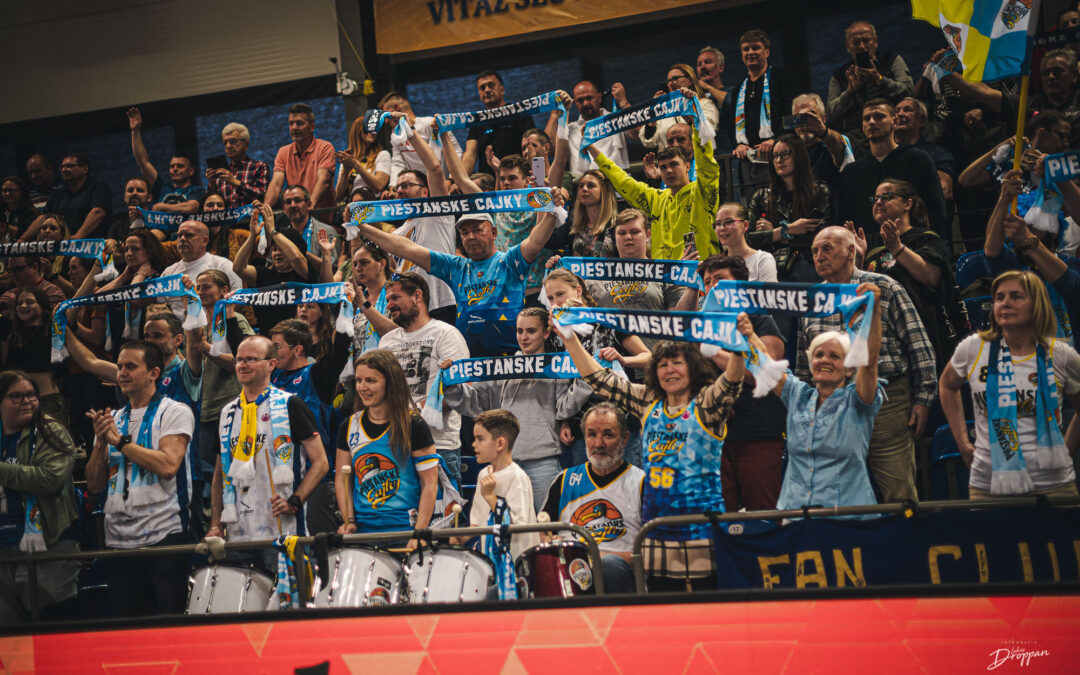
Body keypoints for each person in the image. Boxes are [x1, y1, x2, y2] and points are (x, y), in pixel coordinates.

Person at [559, 310, 749, 591]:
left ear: (693, 368)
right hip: (656, 532)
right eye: (662, 364)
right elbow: (598, 378)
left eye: (677, 363)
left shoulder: (706, 404)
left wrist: (739, 345)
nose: (669, 369)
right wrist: (569, 338)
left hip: (703, 530)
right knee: (664, 612)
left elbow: (732, 381)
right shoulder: (648, 402)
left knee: (706, 610)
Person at [798, 226, 936, 503]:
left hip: (886, 402)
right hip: (832, 406)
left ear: (851, 251)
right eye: (814, 251)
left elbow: (918, 344)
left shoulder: (883, 286)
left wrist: (923, 398)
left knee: (899, 493)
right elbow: (805, 361)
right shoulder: (811, 298)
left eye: (827, 248)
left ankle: (904, 542)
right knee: (838, 495)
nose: (819, 256)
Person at [353, 195, 560, 357]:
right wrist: (362, 227)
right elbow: (406, 248)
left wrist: (552, 213)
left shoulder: (510, 260)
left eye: (478, 230)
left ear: (494, 232)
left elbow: (535, 241)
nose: (470, 237)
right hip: (468, 361)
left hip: (511, 358)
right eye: (464, 233)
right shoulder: (456, 267)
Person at [941, 270, 1080, 498]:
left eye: (1016, 296)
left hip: (1053, 485)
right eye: (999, 297)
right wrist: (963, 444)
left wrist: (1066, 450)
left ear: (1037, 304)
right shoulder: (973, 348)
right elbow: (947, 385)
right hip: (988, 484)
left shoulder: (1061, 355)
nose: (1005, 303)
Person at [442, 306, 593, 510]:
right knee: (508, 525)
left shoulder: (558, 367)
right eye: (520, 331)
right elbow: (474, 404)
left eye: (531, 331)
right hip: (505, 461)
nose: (524, 337)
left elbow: (565, 409)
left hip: (544, 461)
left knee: (547, 521)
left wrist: (586, 380)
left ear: (546, 333)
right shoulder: (502, 369)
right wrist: (451, 382)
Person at [85, 340, 196, 616]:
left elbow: (169, 465)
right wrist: (100, 443)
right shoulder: (114, 419)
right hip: (119, 542)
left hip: (164, 536)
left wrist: (120, 443)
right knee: (130, 631)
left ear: (154, 373)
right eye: (120, 366)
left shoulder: (174, 411)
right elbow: (94, 485)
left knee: (170, 628)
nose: (122, 372)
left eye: (131, 366)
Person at [675, 255, 788, 512]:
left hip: (756, 435)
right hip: (709, 439)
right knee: (717, 516)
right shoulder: (697, 327)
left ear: (740, 285)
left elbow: (767, 371)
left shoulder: (760, 320)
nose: (713, 286)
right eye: (708, 281)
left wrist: (712, 350)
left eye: (720, 279)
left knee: (763, 514)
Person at [208, 336, 328, 572]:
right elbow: (220, 473)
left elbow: (321, 463)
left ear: (271, 364)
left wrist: (295, 501)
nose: (243, 365)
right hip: (237, 533)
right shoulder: (227, 412)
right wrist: (215, 523)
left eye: (251, 359)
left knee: (288, 606)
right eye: (240, 360)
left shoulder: (291, 404)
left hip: (282, 531)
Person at [773, 283, 885, 513]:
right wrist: (743, 324)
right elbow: (760, 361)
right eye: (818, 355)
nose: (824, 360)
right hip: (797, 521)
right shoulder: (797, 395)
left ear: (849, 368)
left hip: (847, 522)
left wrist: (873, 313)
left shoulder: (857, 400)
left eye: (834, 356)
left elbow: (869, 360)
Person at [586, 88, 720, 260]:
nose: (669, 170)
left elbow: (706, 163)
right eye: (663, 167)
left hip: (703, 275)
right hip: (666, 282)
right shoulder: (657, 199)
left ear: (688, 166)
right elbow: (623, 182)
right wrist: (590, 146)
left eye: (674, 165)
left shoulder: (702, 192)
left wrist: (694, 115)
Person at [335, 349, 437, 549]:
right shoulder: (348, 426)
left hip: (404, 530)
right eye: (358, 380)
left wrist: (419, 532)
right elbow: (342, 478)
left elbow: (430, 484)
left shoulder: (414, 424)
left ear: (391, 383)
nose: (362, 387)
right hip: (362, 532)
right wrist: (349, 521)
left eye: (371, 381)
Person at [0, 371, 80, 624]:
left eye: (31, 395)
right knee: (11, 642)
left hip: (48, 545)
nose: (27, 401)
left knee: (51, 632)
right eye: (17, 396)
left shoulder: (50, 431)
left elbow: (50, 478)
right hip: (4, 549)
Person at [540, 402, 644, 594]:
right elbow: (544, 531)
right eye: (592, 435)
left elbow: (649, 552)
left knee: (608, 565)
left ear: (625, 439)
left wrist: (596, 558)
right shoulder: (563, 481)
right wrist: (548, 538)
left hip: (620, 574)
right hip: (571, 574)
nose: (598, 444)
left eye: (608, 434)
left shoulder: (641, 482)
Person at [375, 272, 469, 483]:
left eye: (395, 298)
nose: (389, 305)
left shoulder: (446, 334)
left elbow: (462, 389)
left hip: (438, 446)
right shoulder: (387, 341)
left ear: (417, 296)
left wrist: (412, 414)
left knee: (445, 515)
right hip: (394, 445)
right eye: (388, 299)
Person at [266, 319, 351, 534]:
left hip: (314, 478)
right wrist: (228, 313)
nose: (271, 353)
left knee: (318, 551)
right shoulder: (269, 375)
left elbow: (339, 352)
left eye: (276, 347)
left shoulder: (316, 375)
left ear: (298, 350)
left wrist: (345, 313)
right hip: (275, 480)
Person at [865, 178, 959, 369]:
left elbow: (931, 276)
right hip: (880, 330)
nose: (879, 202)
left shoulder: (927, 239)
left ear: (908, 204)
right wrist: (857, 260)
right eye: (875, 199)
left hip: (923, 328)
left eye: (887, 196)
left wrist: (897, 248)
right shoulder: (868, 244)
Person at [837, 99, 948, 245]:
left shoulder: (918, 160)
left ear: (894, 121)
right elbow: (845, 218)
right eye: (866, 118)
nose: (871, 122)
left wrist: (937, 246)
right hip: (868, 253)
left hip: (914, 247)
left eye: (879, 117)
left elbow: (936, 210)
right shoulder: (851, 172)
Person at [383, 118, 458, 325]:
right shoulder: (395, 236)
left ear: (425, 191)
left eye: (406, 185)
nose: (399, 191)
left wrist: (408, 130)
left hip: (442, 302)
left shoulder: (438, 213)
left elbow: (434, 167)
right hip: (409, 311)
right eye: (397, 187)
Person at [826, 21, 914, 158]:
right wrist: (850, 91)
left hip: (893, 132)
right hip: (856, 140)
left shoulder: (892, 61)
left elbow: (909, 91)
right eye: (856, 42)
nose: (862, 46)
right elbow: (831, 114)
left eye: (866, 40)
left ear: (875, 42)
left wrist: (879, 80)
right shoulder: (840, 75)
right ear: (848, 47)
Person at [466, 409, 540, 562]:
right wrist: (461, 537)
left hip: (517, 565)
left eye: (480, 439)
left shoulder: (517, 477)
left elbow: (516, 528)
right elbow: (477, 522)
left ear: (500, 443)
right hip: (492, 561)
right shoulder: (483, 475)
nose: (473, 444)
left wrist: (491, 497)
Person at [233, 202, 312, 330]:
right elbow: (238, 268)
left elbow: (296, 257)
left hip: (297, 337)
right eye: (274, 249)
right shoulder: (265, 275)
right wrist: (253, 236)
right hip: (268, 340)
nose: (277, 254)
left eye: (282, 249)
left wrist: (272, 231)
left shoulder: (303, 274)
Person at [0, 287, 66, 429]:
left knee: (55, 447)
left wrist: (97, 265)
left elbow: (74, 304)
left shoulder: (52, 328)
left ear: (42, 306)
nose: (23, 306)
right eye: (19, 303)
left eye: (29, 302)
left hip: (47, 401)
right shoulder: (10, 330)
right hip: (16, 404)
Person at [730, 30, 797, 162]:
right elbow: (731, 125)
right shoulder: (738, 89)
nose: (750, 52)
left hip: (779, 152)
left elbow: (792, 114)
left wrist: (776, 139)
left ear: (767, 52)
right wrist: (739, 144)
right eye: (746, 49)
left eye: (755, 48)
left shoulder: (781, 77)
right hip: (748, 158)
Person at [461, 71, 546, 172]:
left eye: (491, 85)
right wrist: (457, 183)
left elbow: (533, 147)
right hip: (488, 183)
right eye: (482, 88)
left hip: (518, 177)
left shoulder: (519, 113)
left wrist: (538, 177)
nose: (487, 90)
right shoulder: (477, 121)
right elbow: (470, 155)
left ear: (502, 90)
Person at [377, 90, 464, 184]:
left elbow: (456, 152)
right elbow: (398, 162)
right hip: (418, 189)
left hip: (442, 184)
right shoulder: (396, 134)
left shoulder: (431, 124)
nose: (386, 122)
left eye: (387, 116)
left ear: (396, 108)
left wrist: (452, 180)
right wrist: (393, 186)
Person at [159, 220, 244, 316]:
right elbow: (160, 306)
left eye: (189, 235)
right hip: (176, 329)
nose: (182, 239)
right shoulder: (169, 272)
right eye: (179, 235)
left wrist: (216, 325)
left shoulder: (222, 265)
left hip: (216, 327)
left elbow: (238, 300)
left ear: (204, 241)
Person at [127, 107, 203, 214]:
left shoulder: (197, 190)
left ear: (191, 171)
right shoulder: (162, 187)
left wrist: (160, 206)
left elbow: (191, 208)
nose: (175, 169)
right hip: (159, 230)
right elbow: (143, 162)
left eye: (180, 166)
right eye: (172, 166)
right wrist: (135, 131)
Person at [22, 153, 112, 241]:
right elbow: (43, 218)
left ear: (85, 169)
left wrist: (77, 237)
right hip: (65, 248)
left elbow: (98, 212)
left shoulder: (98, 187)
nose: (64, 170)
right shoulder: (58, 192)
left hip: (94, 248)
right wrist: (22, 239)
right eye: (62, 167)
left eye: (69, 166)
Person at [264, 103, 336, 211]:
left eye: (299, 123)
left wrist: (310, 206)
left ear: (312, 127)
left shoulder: (325, 147)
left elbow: (323, 180)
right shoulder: (283, 152)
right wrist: (266, 209)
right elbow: (276, 184)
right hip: (297, 218)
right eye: (291, 123)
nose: (294, 128)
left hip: (322, 217)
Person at [638, 65, 720, 153]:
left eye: (676, 78)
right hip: (671, 163)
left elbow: (706, 132)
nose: (671, 83)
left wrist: (683, 105)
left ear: (690, 81)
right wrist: (654, 111)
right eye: (669, 81)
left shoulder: (704, 104)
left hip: (699, 161)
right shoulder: (664, 111)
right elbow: (649, 143)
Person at [893, 97, 956, 205]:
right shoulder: (886, 154)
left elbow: (944, 191)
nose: (900, 114)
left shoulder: (937, 154)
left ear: (921, 120)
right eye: (896, 111)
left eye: (907, 110)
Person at [567, 80, 631, 175]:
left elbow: (639, 135)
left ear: (599, 97)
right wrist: (556, 112)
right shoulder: (569, 130)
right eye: (580, 100)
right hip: (584, 188)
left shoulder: (616, 120)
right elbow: (549, 148)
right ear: (575, 103)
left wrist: (623, 102)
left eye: (589, 98)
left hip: (619, 188)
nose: (585, 103)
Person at [206, 122, 269, 207]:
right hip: (227, 219)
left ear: (245, 144)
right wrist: (212, 184)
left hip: (252, 218)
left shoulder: (259, 167)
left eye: (233, 141)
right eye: (225, 142)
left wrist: (235, 182)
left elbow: (264, 196)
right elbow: (210, 206)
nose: (228, 146)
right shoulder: (221, 173)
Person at [278, 185, 339, 273]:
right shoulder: (281, 236)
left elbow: (333, 269)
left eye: (297, 200)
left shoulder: (326, 232)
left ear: (309, 204)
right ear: (284, 208)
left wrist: (302, 252)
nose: (293, 205)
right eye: (288, 202)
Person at [712, 202, 777, 282]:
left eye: (729, 222)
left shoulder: (762, 260)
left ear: (745, 225)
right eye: (718, 224)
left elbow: (768, 293)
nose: (722, 228)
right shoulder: (715, 265)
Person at [335, 116, 390, 201]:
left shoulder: (382, 155)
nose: (373, 132)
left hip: (374, 207)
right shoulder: (349, 158)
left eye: (375, 129)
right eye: (369, 128)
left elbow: (379, 185)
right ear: (358, 130)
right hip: (352, 209)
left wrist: (356, 165)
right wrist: (345, 171)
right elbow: (338, 196)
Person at [566, 170, 619, 258]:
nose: (584, 189)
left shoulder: (617, 224)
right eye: (581, 186)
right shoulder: (574, 223)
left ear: (604, 191)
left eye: (591, 185)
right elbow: (550, 242)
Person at [0, 257, 66, 318]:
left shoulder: (51, 292)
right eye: (11, 270)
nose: (14, 274)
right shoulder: (9, 294)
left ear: (35, 267)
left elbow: (51, 324)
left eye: (18, 269)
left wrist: (17, 305)